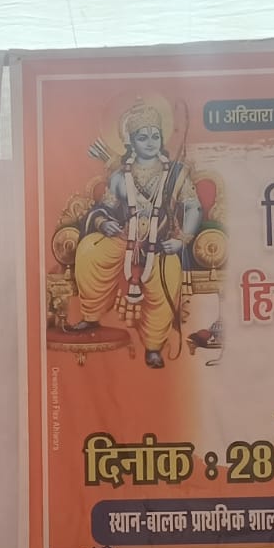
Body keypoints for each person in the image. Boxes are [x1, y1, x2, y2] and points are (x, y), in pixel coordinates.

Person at [67, 100, 201, 368]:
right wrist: (103, 223)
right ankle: (91, 315)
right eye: (143, 137)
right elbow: (105, 207)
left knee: (168, 277)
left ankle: (153, 346)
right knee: (89, 252)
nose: (151, 143)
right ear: (131, 142)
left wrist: (182, 240)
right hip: (123, 238)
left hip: (160, 243)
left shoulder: (175, 174)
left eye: (155, 136)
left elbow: (193, 207)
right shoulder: (120, 176)